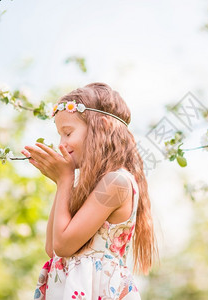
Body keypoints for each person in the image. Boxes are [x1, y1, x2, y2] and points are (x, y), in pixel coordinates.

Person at [21, 82, 158, 300]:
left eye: (67, 133)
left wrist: (65, 179)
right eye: (60, 135)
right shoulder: (91, 185)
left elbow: (64, 245)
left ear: (102, 127)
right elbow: (53, 248)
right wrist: (61, 184)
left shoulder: (116, 182)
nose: (62, 144)